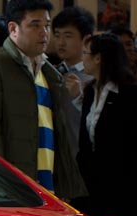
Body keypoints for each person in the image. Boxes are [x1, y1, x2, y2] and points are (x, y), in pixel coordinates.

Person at [0, 0, 85, 199]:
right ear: (13, 29)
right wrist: (0, 186)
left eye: (46, 25)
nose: (44, 32)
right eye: (35, 25)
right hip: (11, 189)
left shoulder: (49, 73)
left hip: (48, 187)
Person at [74, 33, 137, 216]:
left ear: (98, 58)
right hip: (93, 185)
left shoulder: (128, 93)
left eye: (86, 53)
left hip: (122, 185)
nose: (82, 58)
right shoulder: (90, 92)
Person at [51, 6, 95, 150]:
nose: (61, 42)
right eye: (57, 35)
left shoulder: (94, 77)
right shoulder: (51, 72)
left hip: (82, 154)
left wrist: (78, 97)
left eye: (68, 36)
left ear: (86, 39)